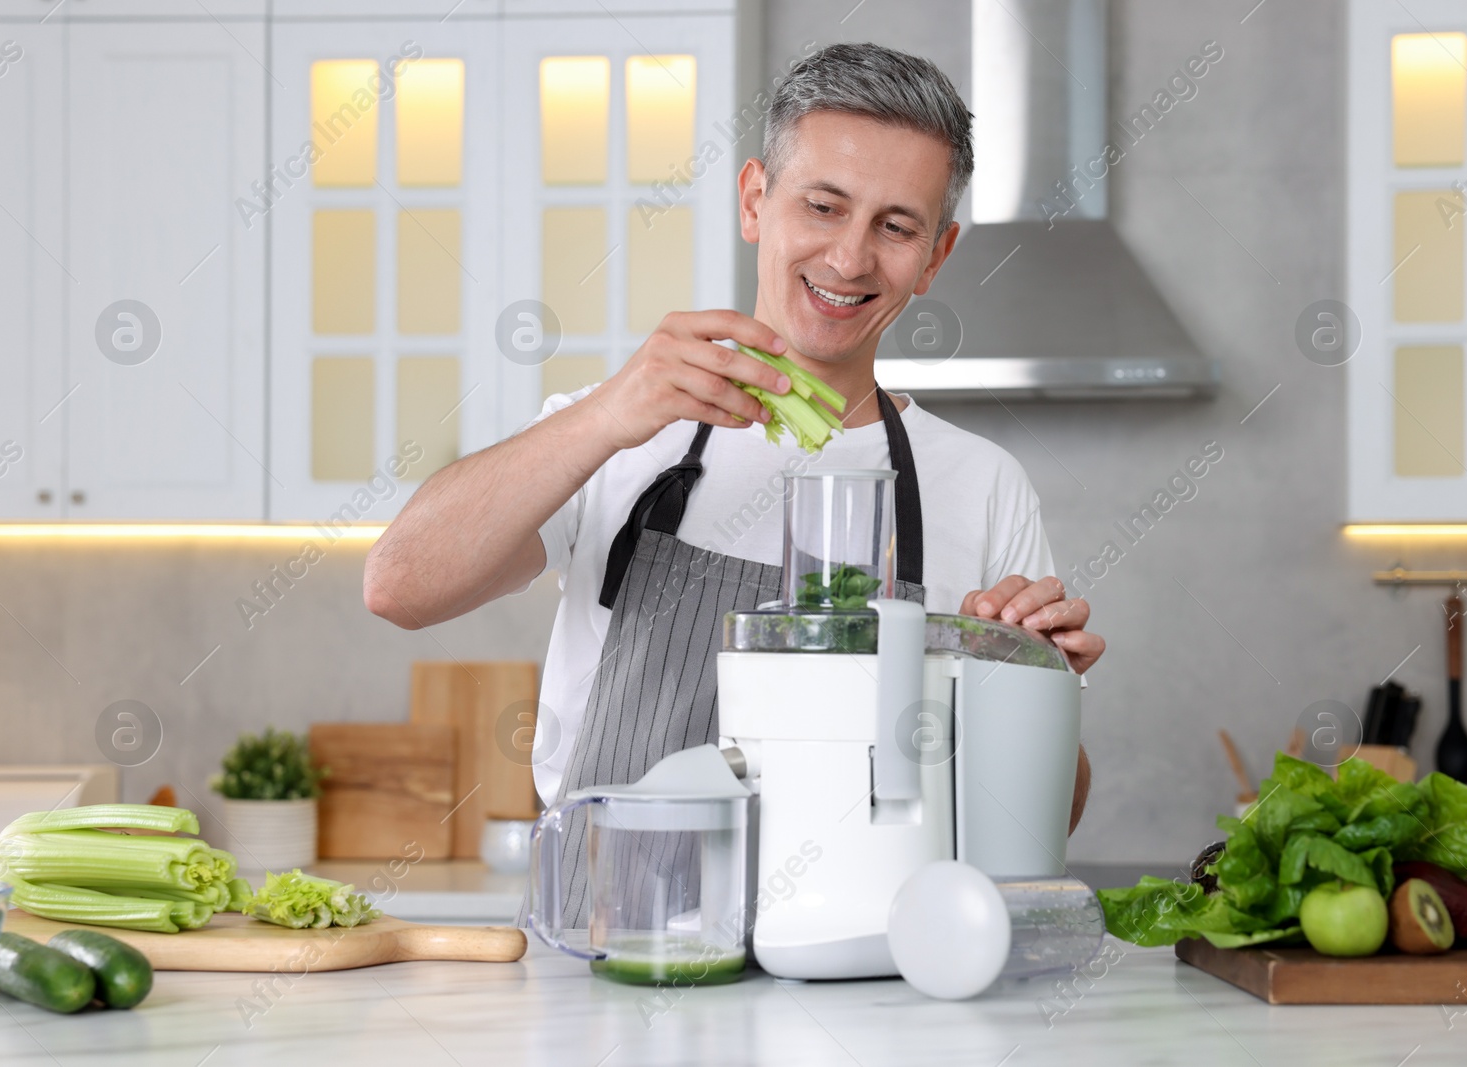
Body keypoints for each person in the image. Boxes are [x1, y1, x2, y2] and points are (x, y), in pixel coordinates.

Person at [364, 43, 1105, 927]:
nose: (850, 257)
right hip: (617, 952)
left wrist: (1015, 682)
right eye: (822, 206)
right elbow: (399, 586)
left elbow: (1044, 813)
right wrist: (607, 414)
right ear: (756, 199)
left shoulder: (981, 483)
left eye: (896, 227)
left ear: (937, 255)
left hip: (868, 965)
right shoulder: (620, 429)